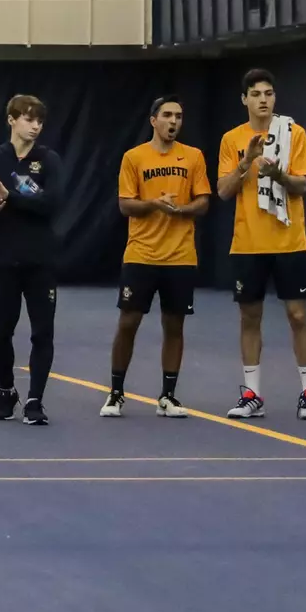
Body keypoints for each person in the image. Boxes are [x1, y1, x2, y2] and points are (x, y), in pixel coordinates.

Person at [216, 68, 306, 420]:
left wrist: (278, 175)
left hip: (289, 240)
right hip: (248, 244)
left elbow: (303, 185)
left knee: (297, 315)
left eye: (269, 93)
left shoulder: (293, 133)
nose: (264, 99)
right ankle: (251, 395)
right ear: (244, 99)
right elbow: (223, 191)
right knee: (250, 316)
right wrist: (246, 162)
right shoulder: (232, 139)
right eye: (256, 94)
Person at [101, 96, 210, 419]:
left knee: (174, 325)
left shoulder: (193, 157)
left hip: (180, 257)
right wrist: (155, 204)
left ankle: (168, 396)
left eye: (178, 116)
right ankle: (116, 393)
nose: (173, 121)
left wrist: (182, 210)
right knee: (128, 322)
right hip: (141, 254)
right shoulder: (134, 158)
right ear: (153, 120)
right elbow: (125, 204)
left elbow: (203, 201)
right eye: (167, 115)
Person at [0, 95, 64, 425]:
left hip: (41, 262)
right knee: (1, 333)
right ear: (11, 119)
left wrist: (13, 196)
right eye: (28, 119)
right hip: (4, 261)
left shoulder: (49, 160)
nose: (36, 125)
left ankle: (35, 400)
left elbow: (52, 203)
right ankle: (6, 390)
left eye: (39, 120)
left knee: (42, 333)